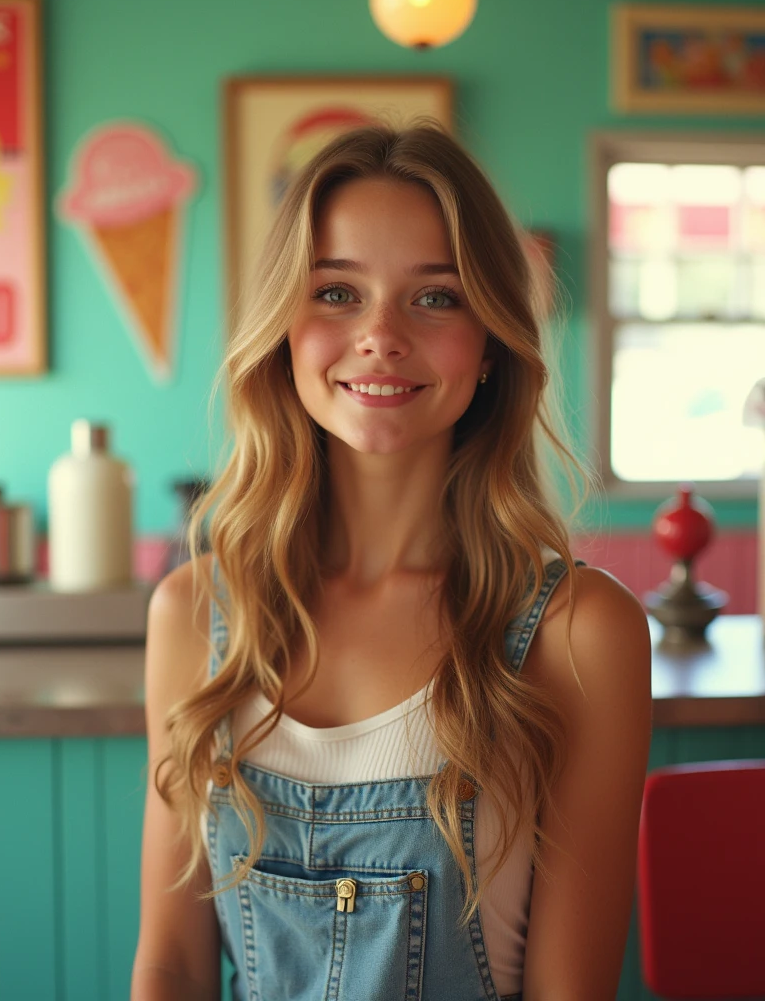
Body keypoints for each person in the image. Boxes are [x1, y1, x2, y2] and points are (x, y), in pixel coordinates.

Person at [131, 123, 651, 1001]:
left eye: (437, 298)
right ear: (282, 330)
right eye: (336, 291)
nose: (380, 334)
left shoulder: (579, 631)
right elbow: (174, 967)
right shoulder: (194, 612)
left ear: (490, 341)